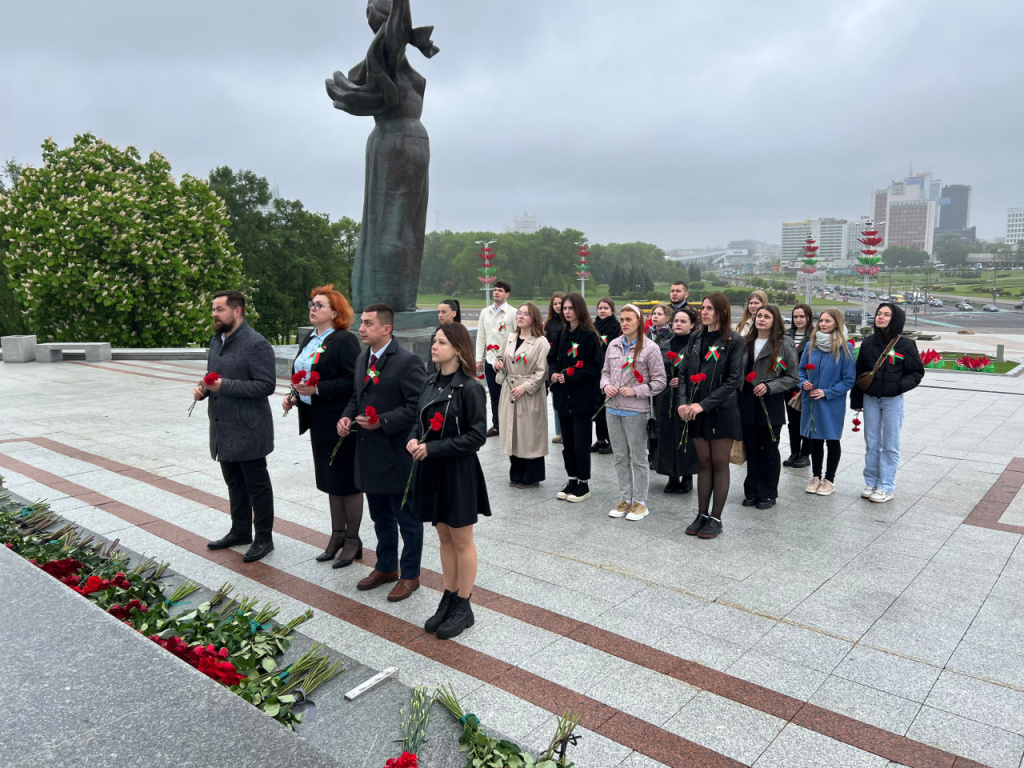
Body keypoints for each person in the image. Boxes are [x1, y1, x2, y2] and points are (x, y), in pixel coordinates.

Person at [324, 0, 438, 312]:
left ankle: (396, 300)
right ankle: (385, 300)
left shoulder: (396, 62)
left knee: (405, 227)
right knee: (393, 228)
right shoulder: (388, 52)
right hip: (396, 143)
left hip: (408, 143)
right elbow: (397, 25)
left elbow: (398, 23)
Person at [337, 304, 427, 601]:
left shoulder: (407, 361)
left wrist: (382, 421)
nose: (360, 328)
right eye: (361, 322)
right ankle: (386, 566)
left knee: (407, 519)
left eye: (368, 323)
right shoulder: (364, 358)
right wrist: (348, 416)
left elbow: (417, 408)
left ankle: (410, 574)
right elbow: (357, 395)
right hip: (369, 454)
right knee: (380, 517)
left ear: (387, 328)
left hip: (396, 455)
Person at [408, 322, 490, 639]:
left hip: (458, 471)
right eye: (433, 341)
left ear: (457, 348)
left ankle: (464, 604)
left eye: (441, 342)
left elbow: (477, 436)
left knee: (461, 540)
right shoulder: (430, 382)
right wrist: (413, 440)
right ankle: (449, 595)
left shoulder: (469, 388)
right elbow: (419, 421)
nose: (434, 346)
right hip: (432, 469)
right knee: (443, 537)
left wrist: (435, 448)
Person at [282, 285, 364, 568]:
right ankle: (337, 535)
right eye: (312, 303)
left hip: (340, 419)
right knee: (330, 480)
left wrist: (317, 390)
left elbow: (354, 380)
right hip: (317, 419)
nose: (313, 308)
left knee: (347, 482)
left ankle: (353, 540)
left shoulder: (344, 340)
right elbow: (302, 374)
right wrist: (295, 395)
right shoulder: (311, 336)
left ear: (335, 313)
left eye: (320, 305)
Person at [194, 290, 278, 562]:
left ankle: (264, 538)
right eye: (213, 309)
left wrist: (224, 386)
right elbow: (213, 377)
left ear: (237, 311)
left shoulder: (257, 344)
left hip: (249, 429)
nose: (214, 314)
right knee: (234, 484)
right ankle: (240, 531)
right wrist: (203, 389)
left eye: (219, 309)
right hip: (222, 428)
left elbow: (266, 385)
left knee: (257, 486)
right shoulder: (216, 340)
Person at [678, 293, 743, 539]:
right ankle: (702, 514)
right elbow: (683, 373)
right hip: (696, 411)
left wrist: (702, 405)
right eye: (702, 308)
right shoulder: (695, 338)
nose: (703, 312)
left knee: (718, 464)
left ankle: (716, 518)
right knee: (703, 464)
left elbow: (733, 380)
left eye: (709, 308)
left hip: (722, 410)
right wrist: (683, 403)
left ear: (722, 312)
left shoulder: (734, 341)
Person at [850, 303, 924, 503]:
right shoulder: (868, 343)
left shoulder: (905, 345)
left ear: (895, 319)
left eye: (886, 314)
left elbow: (916, 372)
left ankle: (887, 486)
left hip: (892, 400)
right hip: (871, 398)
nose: (880, 317)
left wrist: (898, 387)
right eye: (878, 313)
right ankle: (872, 482)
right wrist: (856, 400)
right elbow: (859, 373)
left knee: (889, 444)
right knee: (872, 443)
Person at [601, 304, 667, 521]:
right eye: (622, 319)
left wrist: (636, 390)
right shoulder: (613, 345)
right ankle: (626, 499)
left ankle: (640, 502)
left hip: (636, 412)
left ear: (640, 322)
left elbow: (660, 382)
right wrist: (606, 386)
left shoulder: (650, 348)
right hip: (612, 408)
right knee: (620, 457)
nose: (624, 323)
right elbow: (605, 373)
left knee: (638, 458)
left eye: (629, 319)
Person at [738, 305, 798, 509]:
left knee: (769, 449)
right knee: (752, 449)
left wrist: (770, 386)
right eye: (759, 316)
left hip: (770, 402)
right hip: (747, 400)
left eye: (766, 316)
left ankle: (768, 492)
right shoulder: (746, 342)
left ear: (775, 320)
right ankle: (751, 490)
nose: (761, 319)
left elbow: (792, 377)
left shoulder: (783, 344)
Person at [548, 292, 602, 503]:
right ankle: (571, 478)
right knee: (567, 443)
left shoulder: (589, 335)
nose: (567, 312)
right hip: (563, 397)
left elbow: (594, 367)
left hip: (581, 397)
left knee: (581, 443)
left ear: (579, 309)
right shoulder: (561, 333)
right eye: (565, 308)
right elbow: (552, 358)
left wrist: (570, 376)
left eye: (571, 308)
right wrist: (553, 372)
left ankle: (583, 483)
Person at [799, 308, 856, 496]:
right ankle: (815, 476)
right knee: (815, 439)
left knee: (831, 439)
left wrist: (827, 392)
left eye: (828, 321)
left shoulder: (844, 348)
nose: (823, 324)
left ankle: (829, 479)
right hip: (811, 400)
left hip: (831, 403)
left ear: (837, 324)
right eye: (821, 320)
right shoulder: (810, 345)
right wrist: (803, 382)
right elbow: (799, 371)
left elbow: (849, 380)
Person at [495, 302, 550, 488]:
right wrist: (499, 364)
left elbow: (542, 372)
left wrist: (525, 387)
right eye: (519, 312)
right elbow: (502, 357)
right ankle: (516, 471)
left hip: (528, 391)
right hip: (509, 388)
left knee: (529, 433)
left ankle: (532, 475)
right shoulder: (510, 338)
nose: (520, 316)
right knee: (513, 430)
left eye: (525, 314)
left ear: (533, 318)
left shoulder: (541, 342)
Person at [654, 307, 699, 494]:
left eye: (683, 321)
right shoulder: (664, 345)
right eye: (676, 321)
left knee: (686, 436)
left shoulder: (696, 346)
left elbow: (699, 372)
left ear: (692, 325)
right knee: (667, 436)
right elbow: (655, 370)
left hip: (687, 398)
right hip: (666, 398)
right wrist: (666, 379)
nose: (678, 324)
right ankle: (671, 476)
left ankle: (687, 476)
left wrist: (682, 380)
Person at [476, 281, 514, 437]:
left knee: (508, 393)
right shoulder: (485, 312)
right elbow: (481, 337)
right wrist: (479, 358)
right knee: (494, 394)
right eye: (495, 290)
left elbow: (516, 338)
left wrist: (509, 358)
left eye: (500, 290)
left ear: (507, 294)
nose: (496, 292)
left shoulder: (513, 313)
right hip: (490, 360)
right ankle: (497, 425)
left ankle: (509, 423)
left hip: (507, 361)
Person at [783, 304, 813, 469]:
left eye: (802, 316)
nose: (799, 320)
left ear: (808, 317)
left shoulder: (814, 336)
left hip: (805, 384)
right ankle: (794, 452)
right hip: (788, 384)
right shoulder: (787, 335)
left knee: (805, 419)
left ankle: (805, 454)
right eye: (796, 317)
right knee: (792, 420)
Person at [592, 297, 622, 454]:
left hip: (610, 370)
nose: (602, 311)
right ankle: (600, 439)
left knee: (607, 406)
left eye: (606, 308)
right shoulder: (592, 327)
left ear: (612, 310)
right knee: (597, 406)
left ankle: (612, 440)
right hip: (595, 370)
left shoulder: (617, 327)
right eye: (600, 308)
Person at [544, 292, 566, 444]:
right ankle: (560, 431)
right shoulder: (549, 324)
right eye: (555, 304)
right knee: (556, 399)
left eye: (560, 303)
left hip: (566, 364)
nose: (558, 306)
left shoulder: (568, 322)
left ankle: (567, 431)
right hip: (553, 366)